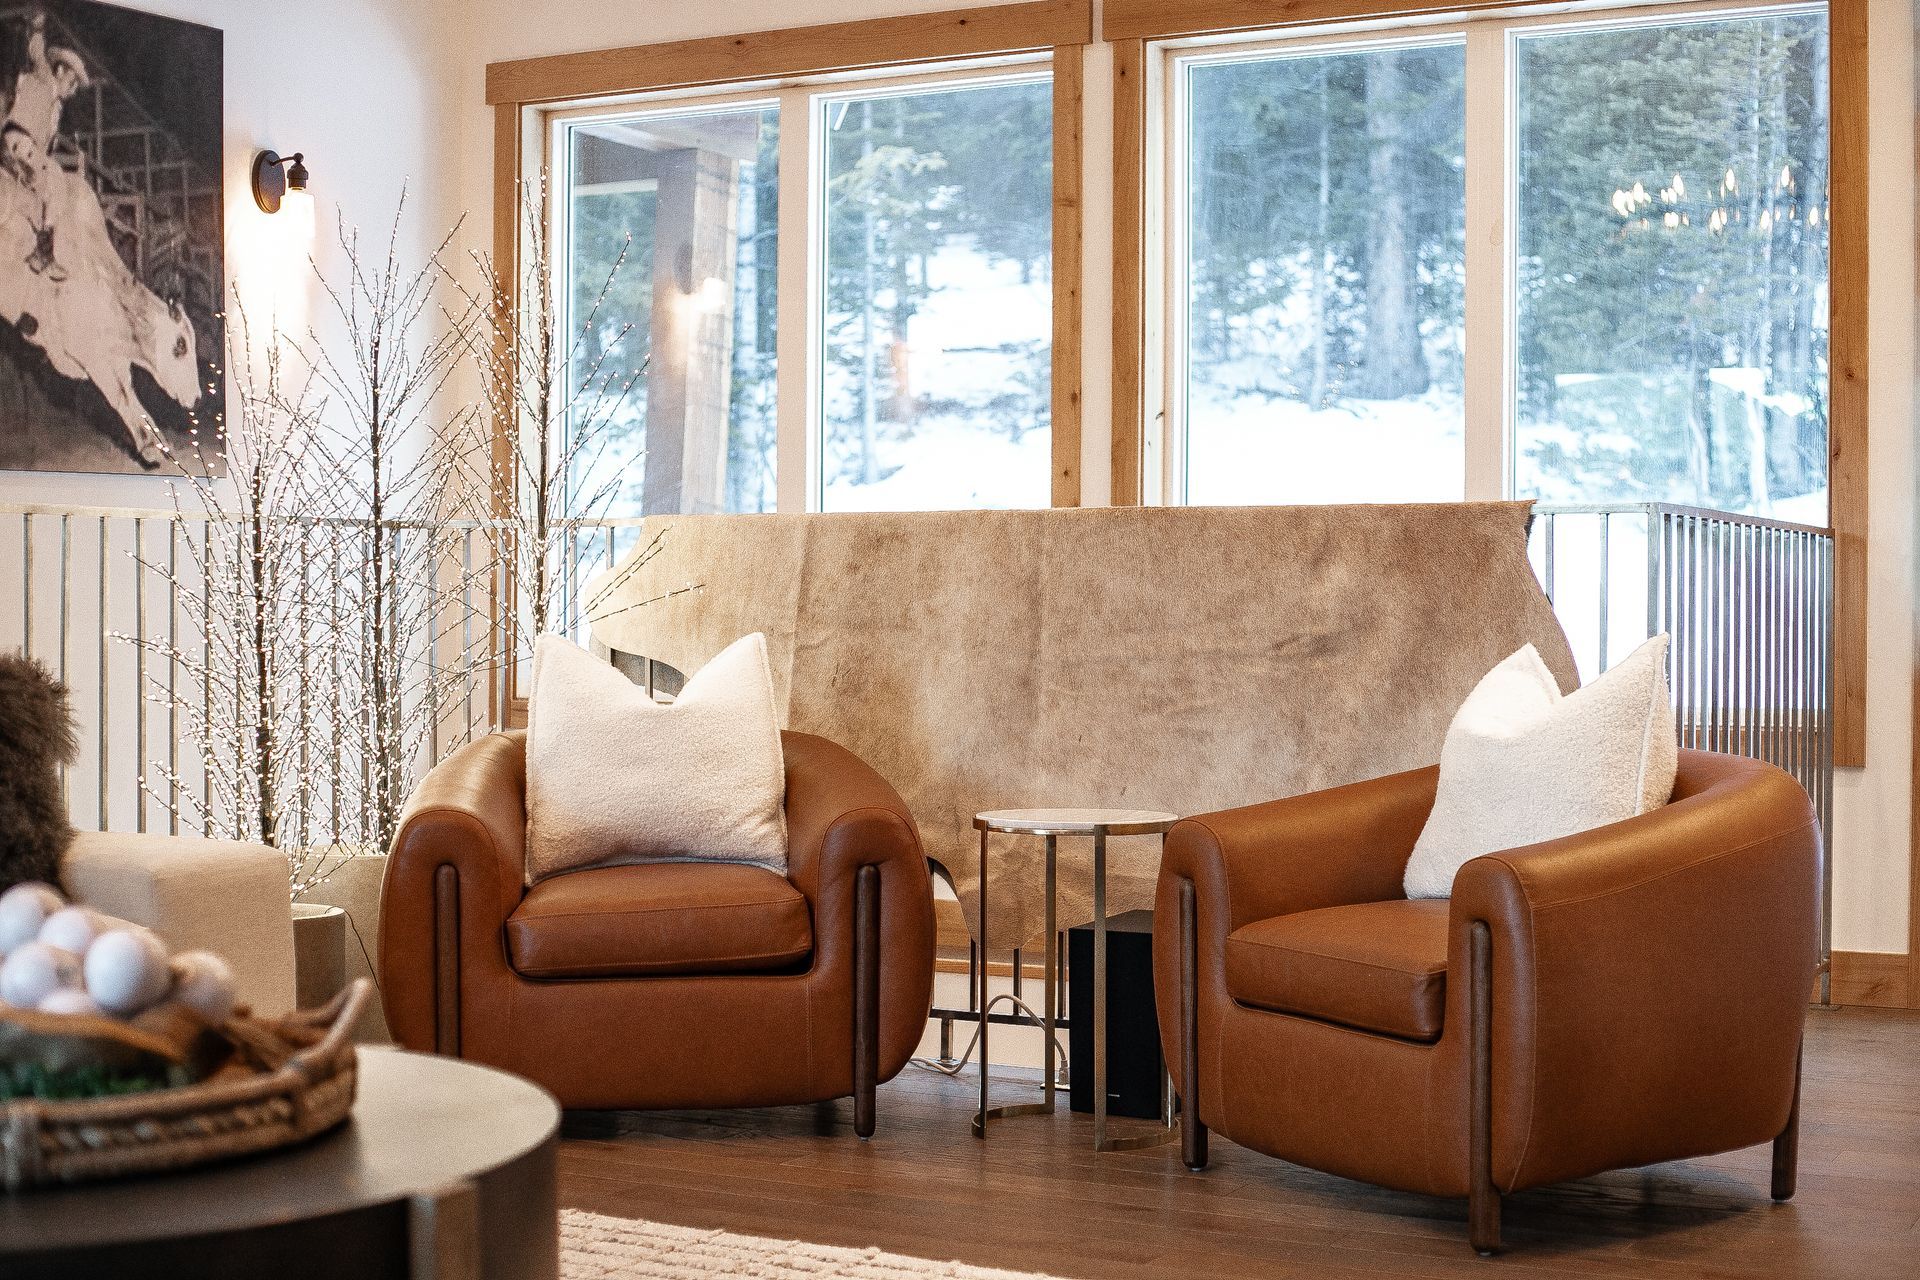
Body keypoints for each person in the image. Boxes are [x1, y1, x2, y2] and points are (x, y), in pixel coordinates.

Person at [5, 12, 89, 281]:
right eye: (72, 81)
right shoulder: (44, 77)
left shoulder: (56, 109)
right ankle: (44, 252)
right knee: (54, 175)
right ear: (60, 71)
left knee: (48, 180)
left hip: (26, 149)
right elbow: (37, 52)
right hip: (18, 141)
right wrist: (38, 27)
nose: (73, 89)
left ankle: (40, 249)